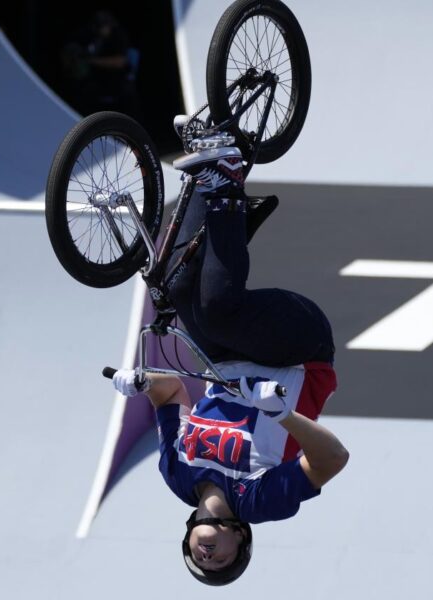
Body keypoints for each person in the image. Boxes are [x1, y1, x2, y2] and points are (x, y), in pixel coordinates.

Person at [110, 141, 349, 586]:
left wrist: (141, 383)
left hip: (225, 356)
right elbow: (333, 459)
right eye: (220, 562)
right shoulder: (258, 501)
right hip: (300, 351)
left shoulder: (178, 476)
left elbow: (170, 392)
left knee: (173, 287)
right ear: (240, 539)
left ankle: (206, 172)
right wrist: (282, 413)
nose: (206, 557)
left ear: (187, 538)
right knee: (217, 310)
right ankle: (227, 183)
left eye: (197, 559)